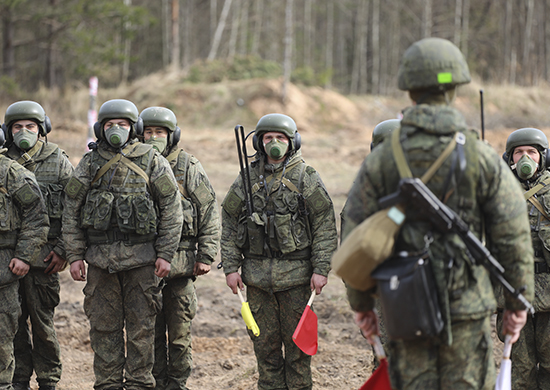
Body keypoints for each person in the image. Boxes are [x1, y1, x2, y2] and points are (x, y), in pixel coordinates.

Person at [342, 37, 533, 389]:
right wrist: (516, 302)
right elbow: (513, 235)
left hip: (403, 304)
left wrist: (362, 303)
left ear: (409, 89)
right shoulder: (482, 156)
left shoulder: (381, 160)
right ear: (456, 88)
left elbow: (356, 237)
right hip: (467, 308)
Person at [63, 99, 183, 390]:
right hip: (101, 263)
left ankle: (140, 384)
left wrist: (166, 254)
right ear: (100, 128)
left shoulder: (153, 160)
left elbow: (171, 208)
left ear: (135, 128)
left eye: (123, 124)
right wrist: (75, 255)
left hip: (142, 262)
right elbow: (71, 209)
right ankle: (108, 384)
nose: (116, 129)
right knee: (104, 329)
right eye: (110, 124)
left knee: (142, 330)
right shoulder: (90, 164)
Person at [221, 113, 337, 390]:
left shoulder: (306, 177)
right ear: (259, 143)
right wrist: (230, 267)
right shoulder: (247, 178)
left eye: (281, 138)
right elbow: (228, 219)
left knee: (298, 353)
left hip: (297, 281)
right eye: (269, 138)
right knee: (265, 351)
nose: (275, 143)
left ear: (292, 141)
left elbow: (324, 225)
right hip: (257, 281)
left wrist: (321, 269)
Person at [138, 106, 220, 390]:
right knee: (148, 333)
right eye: (148, 132)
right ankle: (156, 381)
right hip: (144, 264)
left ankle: (177, 383)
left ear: (172, 135)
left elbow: (208, 209)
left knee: (180, 334)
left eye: (159, 132)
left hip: (182, 265)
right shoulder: (136, 163)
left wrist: (206, 254)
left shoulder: (187, 165)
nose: (153, 137)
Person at [2, 101, 74, 390]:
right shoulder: (3, 161)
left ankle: (48, 379)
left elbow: (74, 210)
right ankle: (18, 379)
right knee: (11, 326)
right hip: (7, 260)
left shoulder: (58, 161)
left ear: (41, 129)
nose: (24, 132)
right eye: (17, 127)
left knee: (43, 325)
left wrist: (64, 250)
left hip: (44, 259)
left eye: (30, 127)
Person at [497, 127, 550, 388]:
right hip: (514, 293)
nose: (526, 158)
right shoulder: (497, 194)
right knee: (521, 368)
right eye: (519, 152)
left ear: (543, 158)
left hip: (549, 291)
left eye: (532, 152)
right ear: (510, 158)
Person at [0, 127, 49, 389]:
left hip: (3, 267)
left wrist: (23, 255)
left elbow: (36, 215)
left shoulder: (11, 173)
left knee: (2, 337)